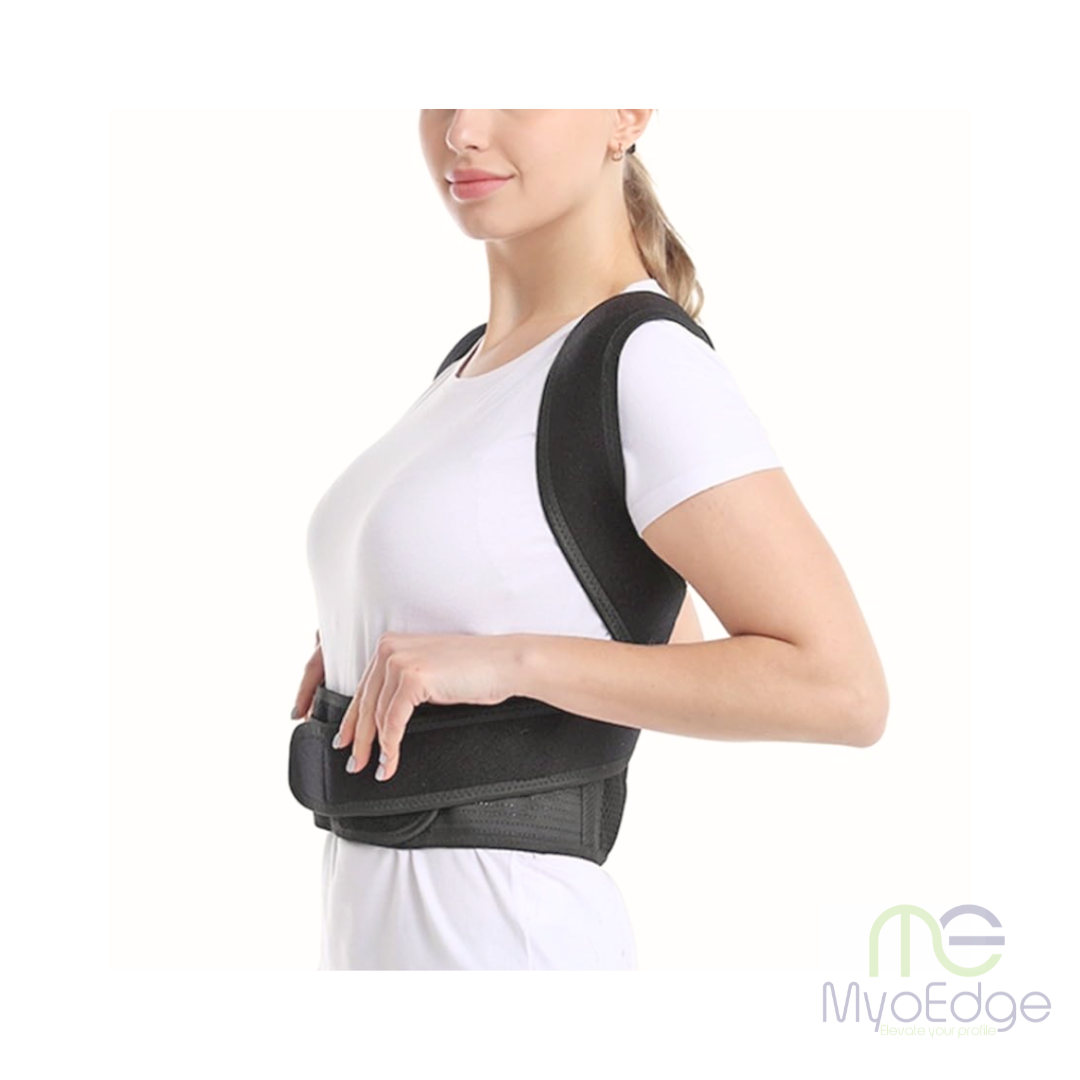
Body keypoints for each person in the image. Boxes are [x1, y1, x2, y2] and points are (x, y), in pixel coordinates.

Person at [291, 110, 889, 970]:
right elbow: (646, 624)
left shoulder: (646, 362)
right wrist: (373, 631)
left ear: (627, 112)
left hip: (508, 951)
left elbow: (844, 690)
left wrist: (509, 662)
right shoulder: (472, 367)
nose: (463, 129)